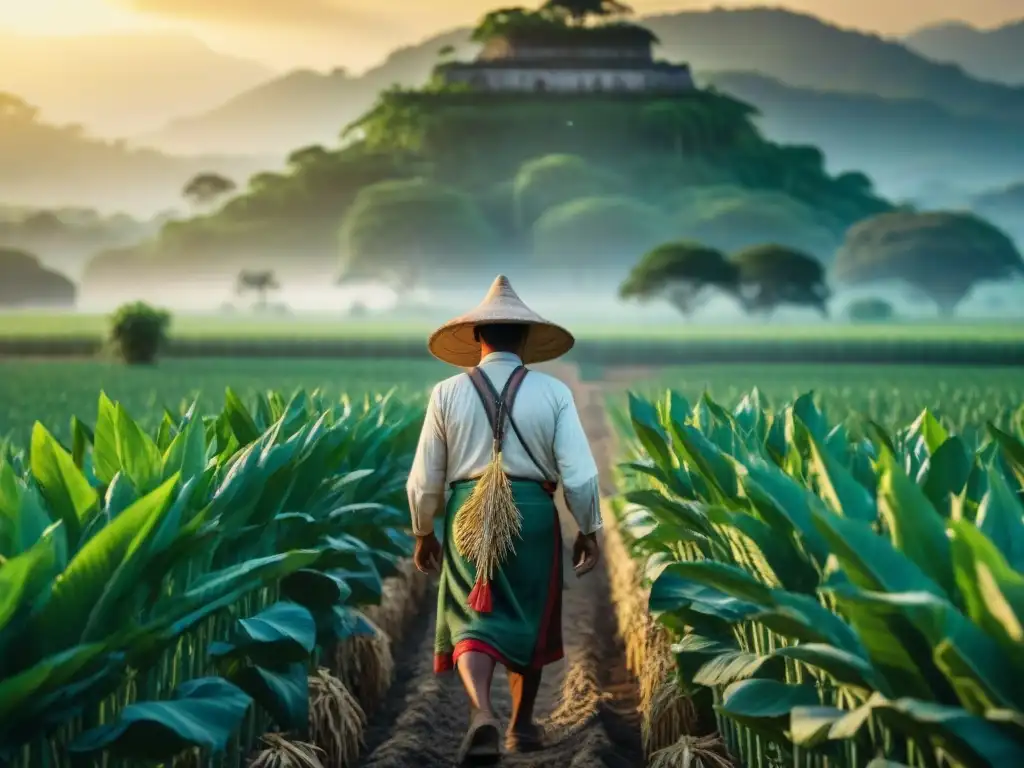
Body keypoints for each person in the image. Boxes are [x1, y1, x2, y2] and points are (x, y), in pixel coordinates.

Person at [406, 275, 602, 765]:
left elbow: (424, 477)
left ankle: (481, 713)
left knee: (472, 614)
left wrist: (424, 530)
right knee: (529, 615)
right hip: (532, 513)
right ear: (528, 341)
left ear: (477, 337)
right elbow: (578, 473)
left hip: (467, 513)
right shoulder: (554, 393)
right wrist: (588, 528)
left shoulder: (446, 392)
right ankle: (519, 726)